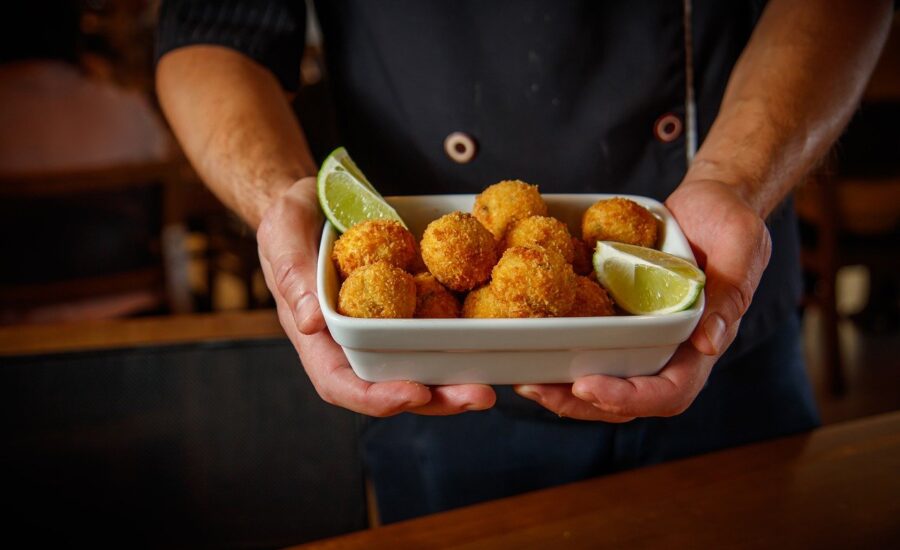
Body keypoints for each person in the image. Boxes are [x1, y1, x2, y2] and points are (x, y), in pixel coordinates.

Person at [156, 0, 892, 523]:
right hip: (434, 385)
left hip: (716, 320)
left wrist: (733, 181)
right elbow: (211, 34)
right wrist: (284, 197)